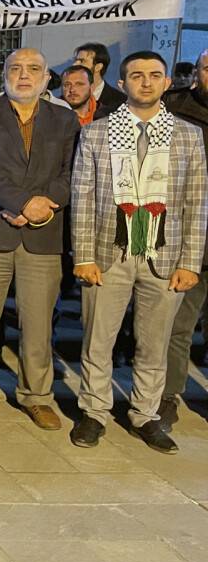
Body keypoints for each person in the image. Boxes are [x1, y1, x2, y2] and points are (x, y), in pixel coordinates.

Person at [70, 51, 206, 454]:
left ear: (167, 83)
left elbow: (197, 202)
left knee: (154, 342)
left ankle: (145, 414)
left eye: (154, 75)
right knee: (98, 338)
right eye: (136, 76)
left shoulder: (187, 135)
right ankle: (94, 411)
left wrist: (190, 262)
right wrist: (82, 255)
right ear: (122, 82)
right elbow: (82, 195)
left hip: (164, 254)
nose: (145, 82)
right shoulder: (97, 132)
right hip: (109, 250)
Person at [0, 48, 78, 430]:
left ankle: (37, 397)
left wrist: (45, 205)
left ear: (46, 78)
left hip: (44, 234)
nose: (24, 75)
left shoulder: (64, 119)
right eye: (15, 68)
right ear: (3, 74)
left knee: (39, 323)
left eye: (33, 69)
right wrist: (21, 201)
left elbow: (71, 171)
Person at [162, 49, 208, 428]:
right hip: (188, 235)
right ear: (196, 72)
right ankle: (167, 396)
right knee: (177, 326)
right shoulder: (174, 108)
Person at [74, 42, 126, 113]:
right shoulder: (65, 99)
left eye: (82, 61)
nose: (74, 65)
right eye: (76, 61)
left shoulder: (120, 101)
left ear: (98, 67)